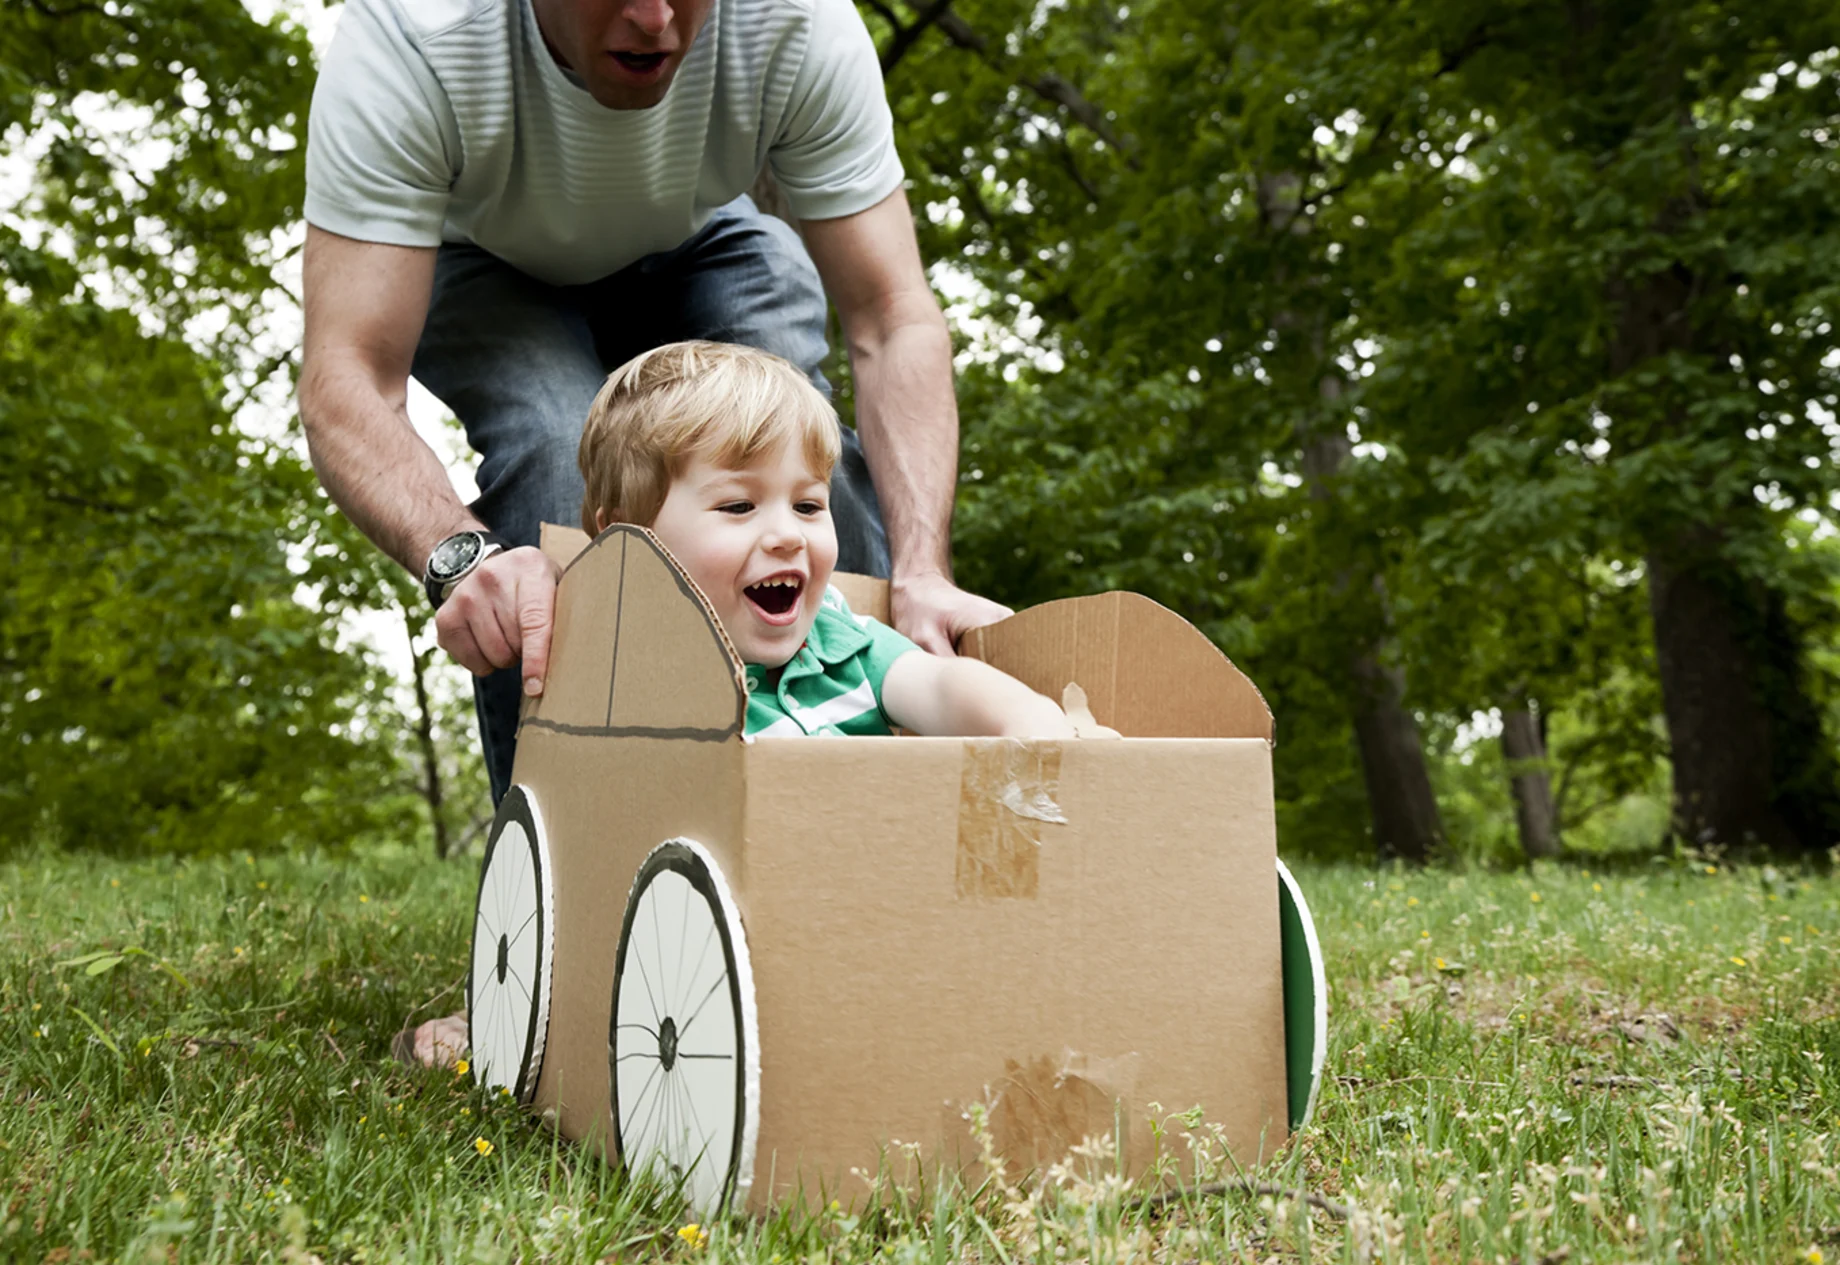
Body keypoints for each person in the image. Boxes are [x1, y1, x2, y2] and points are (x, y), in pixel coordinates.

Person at [297, 0, 1010, 810]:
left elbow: (892, 318)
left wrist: (922, 570)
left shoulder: (797, 22)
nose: (653, 18)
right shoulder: (413, 41)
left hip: (701, 234)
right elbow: (346, 377)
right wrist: (466, 558)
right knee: (557, 449)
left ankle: (868, 815)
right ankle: (576, 843)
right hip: (480, 257)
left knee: (791, 450)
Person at [407, 342, 1104, 1066]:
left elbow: (940, 686)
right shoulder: (613, 655)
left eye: (809, 504)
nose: (786, 534)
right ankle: (510, 1013)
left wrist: (1027, 723)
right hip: (688, 957)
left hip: (867, 927)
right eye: (738, 506)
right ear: (627, 539)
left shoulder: (842, 641)